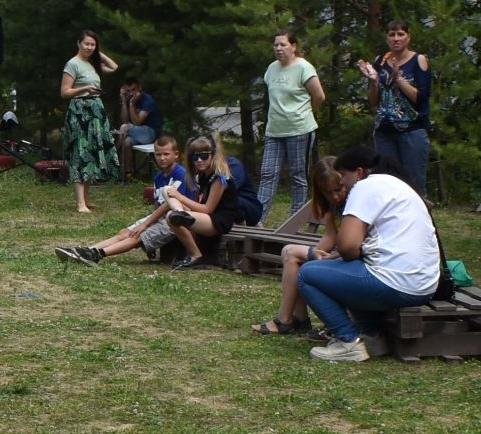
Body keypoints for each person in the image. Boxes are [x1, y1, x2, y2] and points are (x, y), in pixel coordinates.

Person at [298, 143, 440, 363]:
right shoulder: (396, 184)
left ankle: (348, 342)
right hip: (426, 284)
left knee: (308, 273)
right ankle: (373, 337)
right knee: (349, 272)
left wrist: (340, 257)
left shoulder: (364, 187)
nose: (342, 181)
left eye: (343, 175)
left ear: (359, 172)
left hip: (396, 283)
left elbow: (347, 247)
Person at [56, 132, 190, 266]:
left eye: (166, 154)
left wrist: (145, 225)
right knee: (124, 233)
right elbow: (157, 203)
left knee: (136, 236)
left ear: (176, 155)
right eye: (158, 154)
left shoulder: (180, 174)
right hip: (159, 216)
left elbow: (168, 204)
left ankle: (97, 255)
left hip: (174, 219)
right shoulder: (159, 176)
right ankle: (86, 250)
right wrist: (147, 222)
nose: (162, 158)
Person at [254, 153, 348, 339]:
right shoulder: (332, 208)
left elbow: (354, 245)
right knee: (296, 258)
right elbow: (330, 237)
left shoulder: (355, 203)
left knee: (291, 252)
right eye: (328, 192)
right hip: (339, 256)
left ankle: (287, 320)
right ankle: (297, 318)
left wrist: (327, 257)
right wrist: (315, 255)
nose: (335, 196)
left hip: (348, 258)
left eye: (338, 189)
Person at [159, 135, 258, 270]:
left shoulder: (220, 177)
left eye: (204, 156)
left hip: (218, 221)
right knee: (166, 190)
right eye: (195, 157)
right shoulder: (203, 175)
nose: (199, 160)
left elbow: (207, 209)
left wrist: (180, 198)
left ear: (213, 155)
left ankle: (196, 255)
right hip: (205, 217)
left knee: (171, 216)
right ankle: (180, 214)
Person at [257, 31, 325, 219]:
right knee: (268, 174)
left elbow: (319, 96)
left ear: (293, 46)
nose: (279, 49)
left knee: (298, 176)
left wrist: (308, 112)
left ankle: (294, 220)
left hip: (299, 129)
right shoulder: (272, 68)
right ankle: (258, 218)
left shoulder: (304, 67)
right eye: (276, 45)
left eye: (283, 45)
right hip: (274, 131)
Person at [359, 21, 430, 197]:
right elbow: (374, 101)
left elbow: (421, 98)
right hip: (384, 131)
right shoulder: (380, 61)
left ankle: (422, 221)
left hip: (411, 130)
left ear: (408, 36)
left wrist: (399, 79)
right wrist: (374, 83)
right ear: (387, 38)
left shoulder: (418, 60)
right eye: (392, 35)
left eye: (400, 34)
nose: (396, 39)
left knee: (414, 184)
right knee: (387, 183)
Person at [60, 31, 120, 212]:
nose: (89, 47)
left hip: (95, 111)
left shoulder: (91, 64)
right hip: (80, 112)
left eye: (92, 44)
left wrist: (97, 53)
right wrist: (85, 88)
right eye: (86, 44)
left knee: (91, 153)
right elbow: (64, 92)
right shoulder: (72, 64)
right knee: (80, 152)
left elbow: (114, 67)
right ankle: (79, 203)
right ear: (78, 43)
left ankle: (86, 199)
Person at [114, 75, 160, 181]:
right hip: (138, 133)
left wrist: (131, 104)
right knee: (127, 142)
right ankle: (129, 174)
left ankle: (113, 157)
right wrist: (123, 100)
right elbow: (124, 119)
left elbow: (137, 122)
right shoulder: (128, 98)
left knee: (124, 128)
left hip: (150, 133)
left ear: (139, 87)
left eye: (133, 90)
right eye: (128, 91)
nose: (131, 93)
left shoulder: (147, 100)